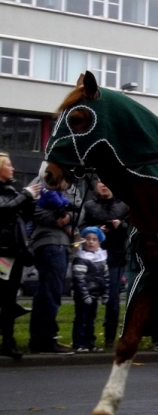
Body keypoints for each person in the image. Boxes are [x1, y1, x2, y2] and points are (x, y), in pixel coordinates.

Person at [28, 177, 82, 355]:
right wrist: (57, 219)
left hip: (62, 244)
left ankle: (40, 339)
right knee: (50, 292)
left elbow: (80, 211)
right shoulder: (42, 181)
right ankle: (45, 339)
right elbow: (34, 210)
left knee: (48, 292)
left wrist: (67, 218)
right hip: (49, 242)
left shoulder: (72, 186)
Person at [80, 178, 129, 350]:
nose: (104, 184)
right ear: (95, 186)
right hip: (92, 260)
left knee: (113, 301)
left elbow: (133, 228)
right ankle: (87, 339)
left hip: (115, 258)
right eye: (100, 181)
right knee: (89, 300)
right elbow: (81, 228)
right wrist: (95, 231)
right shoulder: (89, 206)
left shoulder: (124, 206)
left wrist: (121, 225)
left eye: (107, 181)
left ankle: (109, 338)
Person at [0, 152, 40, 360]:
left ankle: (8, 341)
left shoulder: (11, 191)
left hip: (13, 253)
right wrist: (25, 195)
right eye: (9, 165)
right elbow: (3, 210)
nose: (13, 168)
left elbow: (22, 216)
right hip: (2, 253)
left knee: (9, 300)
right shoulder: (11, 193)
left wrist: (30, 201)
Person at [71, 227, 110, 353]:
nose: (91, 242)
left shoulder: (101, 258)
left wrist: (105, 294)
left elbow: (106, 278)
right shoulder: (81, 258)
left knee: (91, 320)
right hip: (83, 295)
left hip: (95, 295)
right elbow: (79, 279)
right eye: (87, 239)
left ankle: (90, 343)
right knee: (81, 319)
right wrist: (84, 295)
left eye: (94, 239)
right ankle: (79, 343)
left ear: (99, 242)